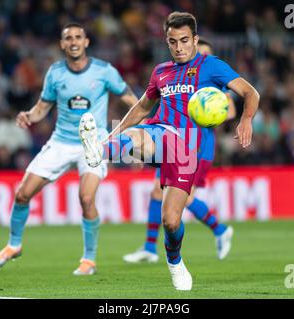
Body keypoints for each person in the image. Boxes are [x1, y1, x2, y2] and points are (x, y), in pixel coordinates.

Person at [79, 12, 259, 290]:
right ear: (167, 41)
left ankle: (175, 262)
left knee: (171, 221)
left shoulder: (211, 66)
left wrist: (246, 119)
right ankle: (99, 150)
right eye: (172, 41)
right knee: (139, 136)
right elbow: (141, 108)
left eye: (184, 40)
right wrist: (111, 134)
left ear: (195, 40)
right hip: (160, 133)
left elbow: (250, 93)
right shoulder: (161, 72)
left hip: (187, 153)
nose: (178, 47)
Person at [0, 22, 138, 275]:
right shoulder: (55, 73)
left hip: (92, 141)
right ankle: (14, 245)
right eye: (69, 38)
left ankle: (89, 260)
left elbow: (131, 99)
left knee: (86, 198)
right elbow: (43, 107)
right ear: (62, 44)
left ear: (87, 42)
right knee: (22, 194)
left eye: (79, 37)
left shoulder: (104, 71)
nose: (74, 41)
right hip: (61, 141)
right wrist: (29, 116)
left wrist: (132, 126)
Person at [122, 38, 237, 264]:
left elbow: (230, 111)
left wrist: (209, 114)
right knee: (157, 192)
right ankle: (149, 247)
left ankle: (220, 229)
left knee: (183, 197)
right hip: (173, 140)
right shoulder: (180, 75)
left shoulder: (213, 80)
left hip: (200, 144)